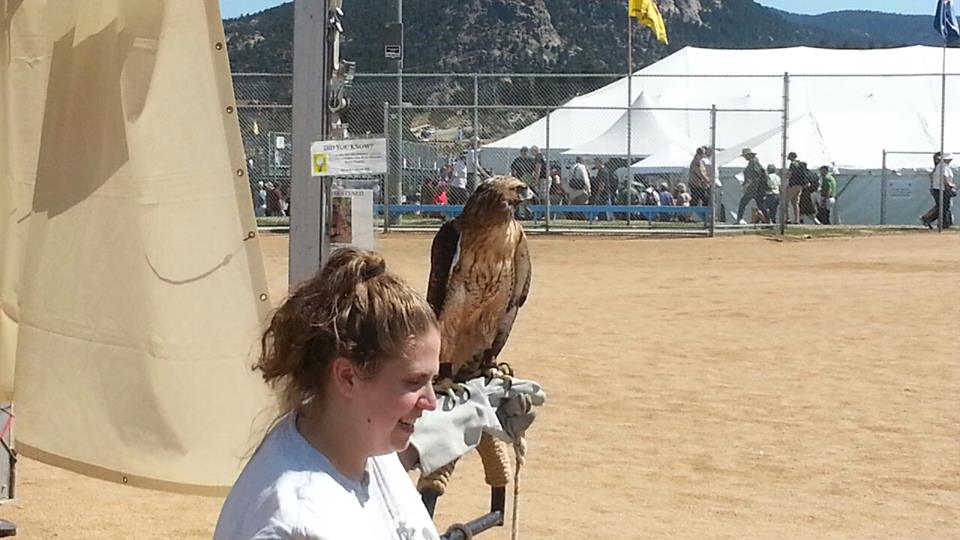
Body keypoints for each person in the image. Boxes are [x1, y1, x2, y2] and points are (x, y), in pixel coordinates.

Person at [922, 151, 955, 229]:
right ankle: (928, 218)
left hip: (941, 188)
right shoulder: (942, 166)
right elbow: (944, 177)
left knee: (943, 206)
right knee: (942, 206)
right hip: (941, 189)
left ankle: (933, 219)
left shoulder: (943, 166)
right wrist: (949, 184)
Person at [736, 148, 768, 224]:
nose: (745, 157)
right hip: (757, 188)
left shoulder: (753, 164)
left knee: (743, 203)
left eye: (745, 156)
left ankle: (739, 219)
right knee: (761, 205)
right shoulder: (755, 163)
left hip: (753, 188)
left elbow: (753, 177)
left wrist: (747, 185)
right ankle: (768, 220)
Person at [785, 152, 804, 224]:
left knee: (785, 202)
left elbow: (790, 174)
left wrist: (785, 174)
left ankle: (788, 218)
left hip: (793, 185)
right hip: (799, 185)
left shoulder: (792, 164)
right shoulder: (800, 164)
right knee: (795, 203)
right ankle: (796, 219)